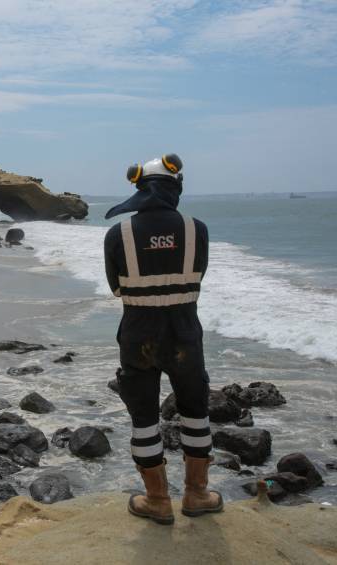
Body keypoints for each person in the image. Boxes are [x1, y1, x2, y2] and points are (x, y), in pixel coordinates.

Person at [103, 153, 221, 525]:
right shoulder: (196, 229)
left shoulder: (117, 234)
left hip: (138, 337)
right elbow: (197, 274)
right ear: (176, 188)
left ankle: (157, 500)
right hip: (186, 335)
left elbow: (117, 287)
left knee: (144, 419)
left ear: (139, 189)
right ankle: (198, 494)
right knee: (195, 413)